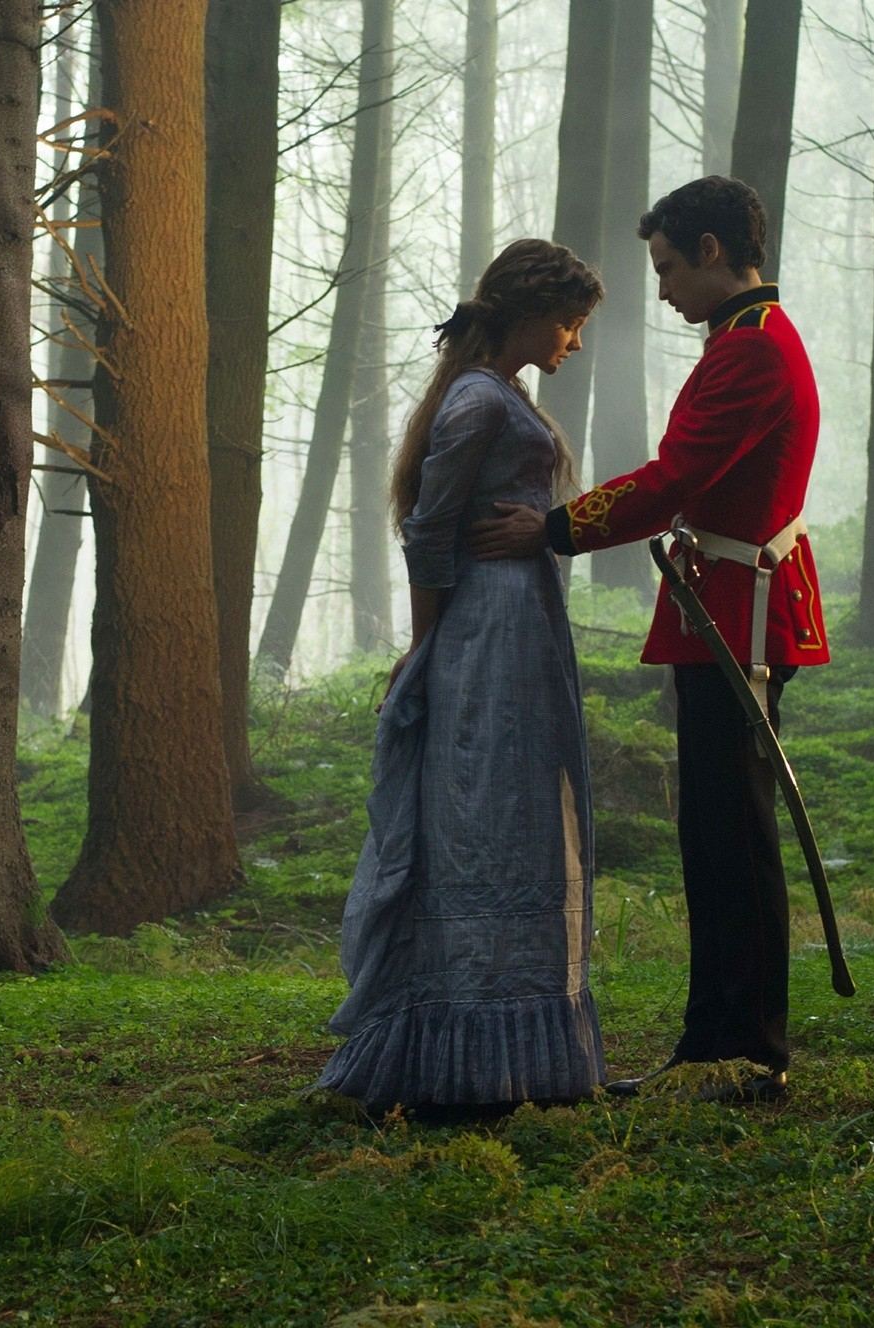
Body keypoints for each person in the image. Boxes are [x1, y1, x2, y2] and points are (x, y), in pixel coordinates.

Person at [468, 177, 830, 1105]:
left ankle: (747, 1051)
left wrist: (554, 530)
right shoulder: (741, 342)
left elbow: (675, 478)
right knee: (712, 832)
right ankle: (714, 1044)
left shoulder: (751, 352)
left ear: (712, 252)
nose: (662, 288)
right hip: (724, 606)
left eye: (669, 266)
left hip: (741, 614)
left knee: (733, 837)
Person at [316, 238, 607, 1117]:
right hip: (485, 632)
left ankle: (525, 1048)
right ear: (526, 313)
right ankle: (467, 1045)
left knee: (520, 812)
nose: (575, 343)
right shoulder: (478, 401)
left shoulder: (497, 395)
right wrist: (427, 646)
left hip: (519, 626)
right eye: (568, 323)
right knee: (484, 815)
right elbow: (428, 528)